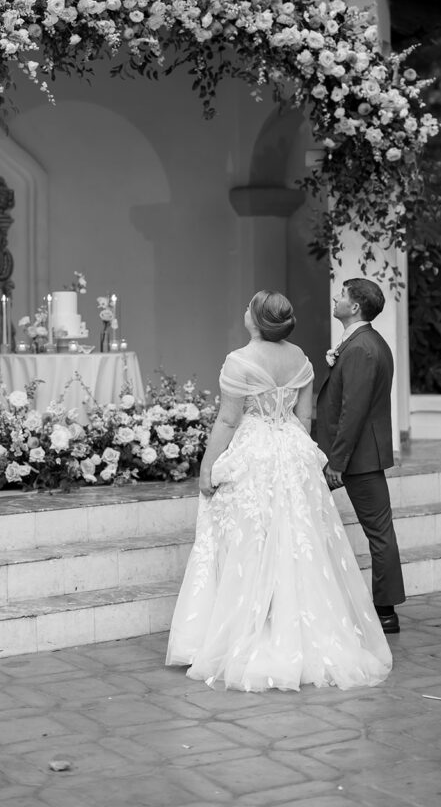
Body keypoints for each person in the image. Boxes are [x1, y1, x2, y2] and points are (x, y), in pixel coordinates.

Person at [166, 290, 392, 692]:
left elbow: (229, 420)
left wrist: (207, 467)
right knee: (296, 539)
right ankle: (297, 627)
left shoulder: (239, 361)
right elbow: (305, 417)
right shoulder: (301, 359)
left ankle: (244, 630)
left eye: (248, 307)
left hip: (252, 452)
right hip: (291, 450)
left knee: (250, 538)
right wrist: (291, 458)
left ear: (254, 320)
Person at [316, 278, 406, 635]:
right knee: (379, 531)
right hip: (361, 453)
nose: (335, 298)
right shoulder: (362, 343)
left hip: (356, 457)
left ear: (354, 307)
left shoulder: (361, 349)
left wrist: (336, 462)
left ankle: (384, 612)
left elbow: (352, 412)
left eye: (341, 295)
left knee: (379, 534)